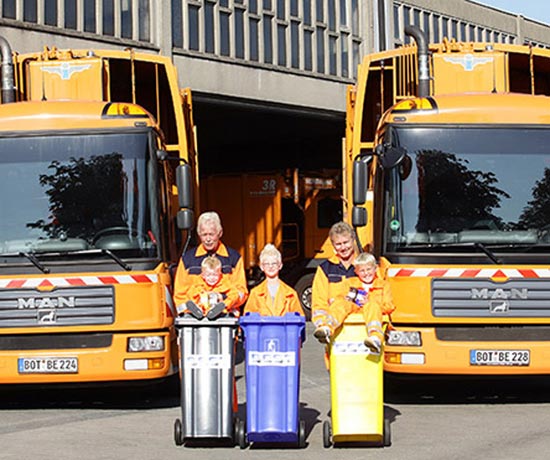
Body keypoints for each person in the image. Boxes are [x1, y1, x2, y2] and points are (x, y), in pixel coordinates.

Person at [173, 211, 248, 313]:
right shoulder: (187, 260)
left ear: (220, 233)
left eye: (211, 234)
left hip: (226, 315)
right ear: (199, 235)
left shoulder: (234, 258)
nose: (208, 239)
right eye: (204, 235)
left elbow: (241, 292)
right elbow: (179, 294)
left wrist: (223, 299)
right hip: (195, 318)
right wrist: (192, 310)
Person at [326, 252, 395, 353]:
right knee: (341, 304)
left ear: (375, 268)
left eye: (368, 269)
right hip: (352, 321)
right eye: (362, 270)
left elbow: (390, 306)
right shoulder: (349, 283)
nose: (366, 273)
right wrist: (343, 299)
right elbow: (338, 298)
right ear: (356, 271)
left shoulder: (383, 285)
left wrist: (370, 302)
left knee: (372, 305)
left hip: (373, 317)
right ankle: (327, 328)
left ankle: (375, 338)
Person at [311, 221, 358, 343]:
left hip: (361, 326)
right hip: (334, 333)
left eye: (346, 242)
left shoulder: (365, 266)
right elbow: (319, 303)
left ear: (353, 240)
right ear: (333, 245)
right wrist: (322, 325)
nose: (343, 247)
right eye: (338, 244)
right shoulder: (325, 269)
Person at [244, 244, 304, 316]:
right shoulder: (255, 293)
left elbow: (298, 318)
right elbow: (248, 318)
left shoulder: (290, 294)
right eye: (267, 264)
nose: (270, 266)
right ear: (262, 267)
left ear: (280, 265)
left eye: (274, 263)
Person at [178, 255, 242, 319]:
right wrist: (201, 297)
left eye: (215, 275)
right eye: (208, 275)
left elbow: (234, 294)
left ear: (220, 274)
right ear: (203, 275)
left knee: (227, 305)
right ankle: (198, 311)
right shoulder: (198, 282)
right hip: (202, 308)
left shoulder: (224, 282)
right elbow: (190, 294)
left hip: (221, 310)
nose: (212, 278)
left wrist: (225, 302)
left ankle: (217, 310)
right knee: (195, 297)